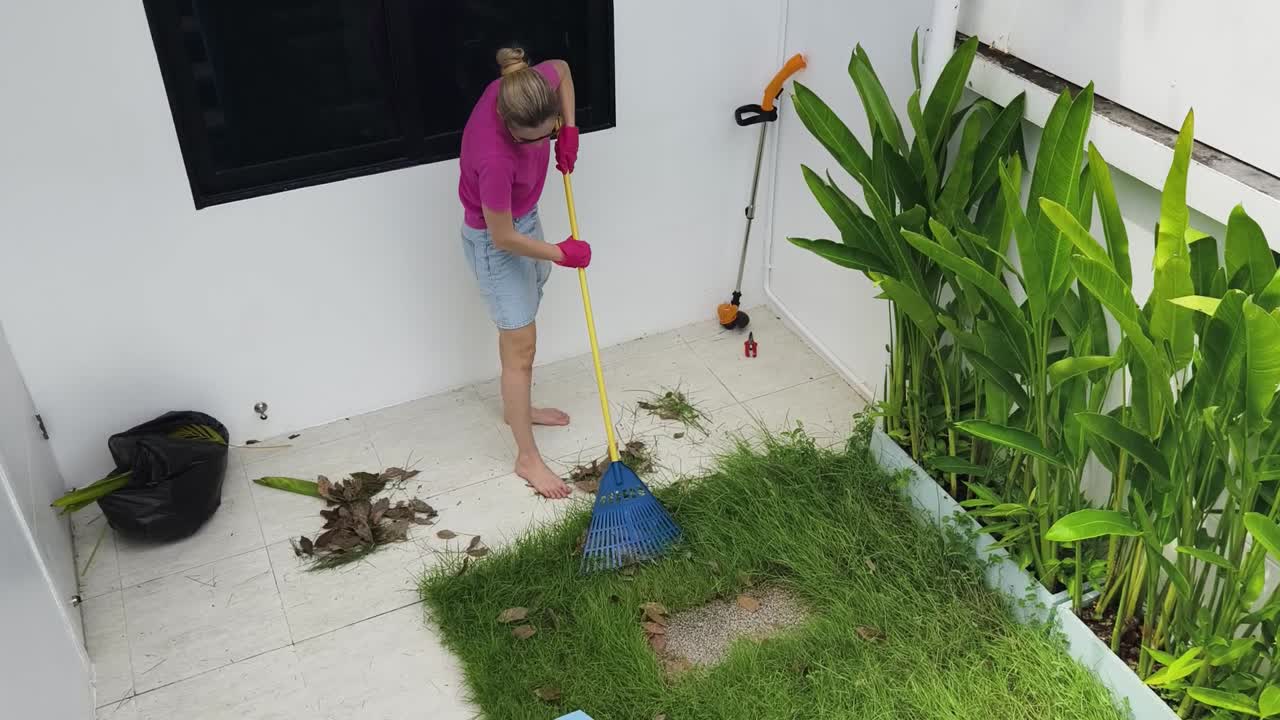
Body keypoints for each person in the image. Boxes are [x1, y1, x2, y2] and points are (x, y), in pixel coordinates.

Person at [458, 47, 589, 499]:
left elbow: (565, 71)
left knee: (528, 323)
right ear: (507, 124)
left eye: (546, 134)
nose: (541, 146)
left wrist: (568, 130)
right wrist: (561, 252)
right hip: (501, 243)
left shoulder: (527, 87)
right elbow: (501, 237)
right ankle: (527, 457)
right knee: (521, 348)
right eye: (530, 140)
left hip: (527, 220)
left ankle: (521, 409)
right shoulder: (494, 159)